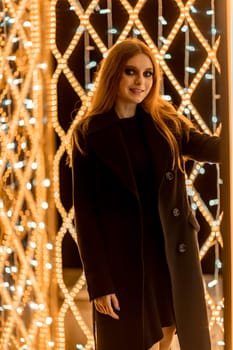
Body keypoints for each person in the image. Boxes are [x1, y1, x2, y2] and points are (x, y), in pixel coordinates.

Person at [71, 38, 220, 350]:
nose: (141, 82)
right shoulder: (88, 133)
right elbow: (85, 216)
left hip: (168, 255)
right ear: (114, 74)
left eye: (148, 74)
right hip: (123, 262)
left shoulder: (165, 122)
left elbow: (210, 148)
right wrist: (99, 284)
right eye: (131, 72)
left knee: (167, 337)